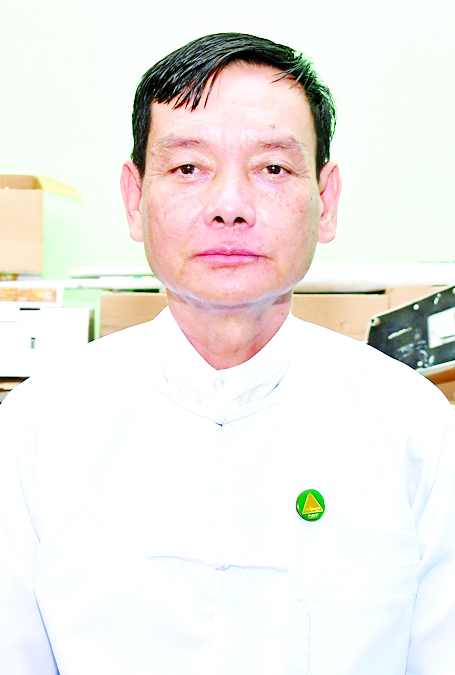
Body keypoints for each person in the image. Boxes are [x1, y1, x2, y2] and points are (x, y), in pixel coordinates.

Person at [0, 32, 454, 675]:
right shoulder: (38, 427)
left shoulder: (415, 428)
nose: (230, 208)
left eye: (273, 169)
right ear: (135, 199)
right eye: (189, 168)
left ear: (325, 201)